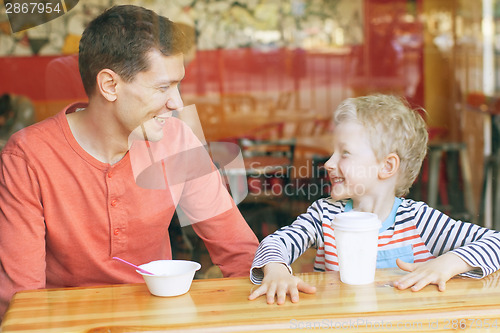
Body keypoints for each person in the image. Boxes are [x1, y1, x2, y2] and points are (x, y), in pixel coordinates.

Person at [0, 5, 259, 320]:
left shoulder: (177, 140)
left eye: (177, 85)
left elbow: (241, 255)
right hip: (67, 324)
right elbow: (21, 302)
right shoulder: (27, 156)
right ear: (110, 85)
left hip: (160, 319)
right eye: (163, 87)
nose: (177, 102)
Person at [248, 94, 500, 305]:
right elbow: (275, 243)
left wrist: (446, 264)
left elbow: (495, 242)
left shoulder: (418, 220)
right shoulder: (324, 216)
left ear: (387, 166)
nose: (329, 163)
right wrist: (277, 271)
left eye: (344, 153)